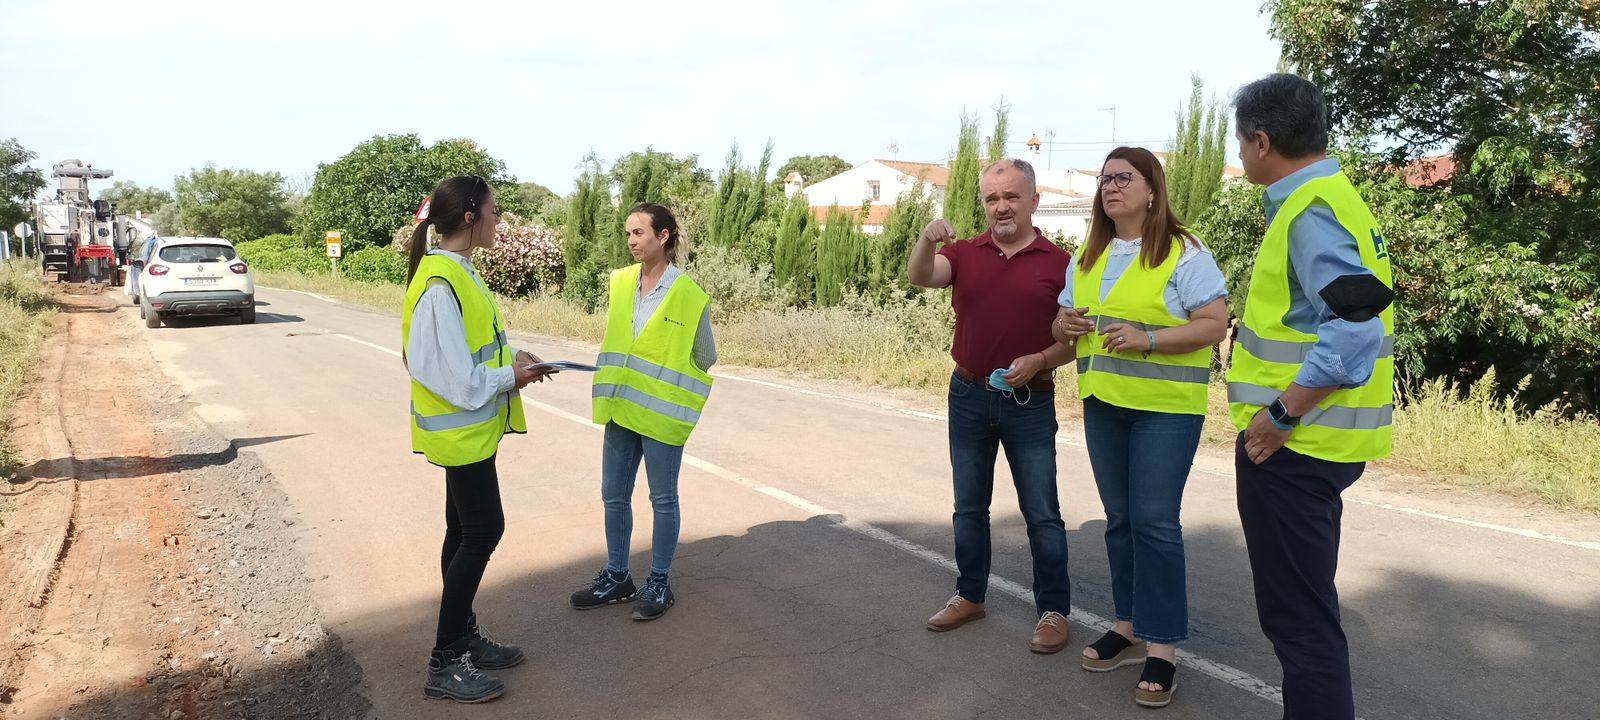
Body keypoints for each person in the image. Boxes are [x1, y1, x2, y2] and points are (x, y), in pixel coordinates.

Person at [1228, 74, 1396, 720]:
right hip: (1324, 446)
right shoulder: (1335, 197)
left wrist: (1278, 415)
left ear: (1263, 142)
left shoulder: (1311, 211)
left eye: (1242, 144)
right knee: (1307, 619)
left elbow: (1355, 331)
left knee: (1301, 629)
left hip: (1295, 449)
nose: (1240, 156)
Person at [1051, 147, 1229, 708]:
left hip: (1166, 409)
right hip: (1104, 401)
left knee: (1155, 523)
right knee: (1121, 521)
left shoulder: (1185, 251)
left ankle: (1163, 649)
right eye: (1104, 179)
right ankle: (1127, 628)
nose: (1110, 186)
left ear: (1153, 189)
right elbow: (1064, 324)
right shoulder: (1086, 255)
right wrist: (1063, 322)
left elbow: (1214, 324)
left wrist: (1148, 339)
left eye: (1122, 178)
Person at [907, 159, 1076, 654]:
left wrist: (1041, 359)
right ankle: (969, 595)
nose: (1001, 207)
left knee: (1042, 512)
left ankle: (1053, 610)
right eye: (991, 198)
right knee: (968, 506)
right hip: (968, 394)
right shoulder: (963, 253)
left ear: (1033, 201)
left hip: (1030, 398)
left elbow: (1072, 342)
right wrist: (925, 239)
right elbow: (922, 277)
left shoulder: (1062, 263)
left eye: (1011, 197)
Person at [403, 175, 553, 703]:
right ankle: (445, 661)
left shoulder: (457, 273)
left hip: (470, 432)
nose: (498, 219)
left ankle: (463, 637)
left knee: (462, 529)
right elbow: (453, 378)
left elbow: (470, 357)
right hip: (462, 430)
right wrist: (512, 378)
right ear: (469, 217)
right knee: (484, 529)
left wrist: (514, 362)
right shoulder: (441, 283)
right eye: (493, 211)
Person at [570, 202, 717, 622]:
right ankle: (617, 576)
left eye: (639, 233)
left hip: (660, 414)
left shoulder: (689, 294)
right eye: (628, 233)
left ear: (663, 237)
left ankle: (658, 581)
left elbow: (705, 355)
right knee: (613, 495)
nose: (632, 241)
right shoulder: (619, 283)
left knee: (663, 498)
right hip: (620, 406)